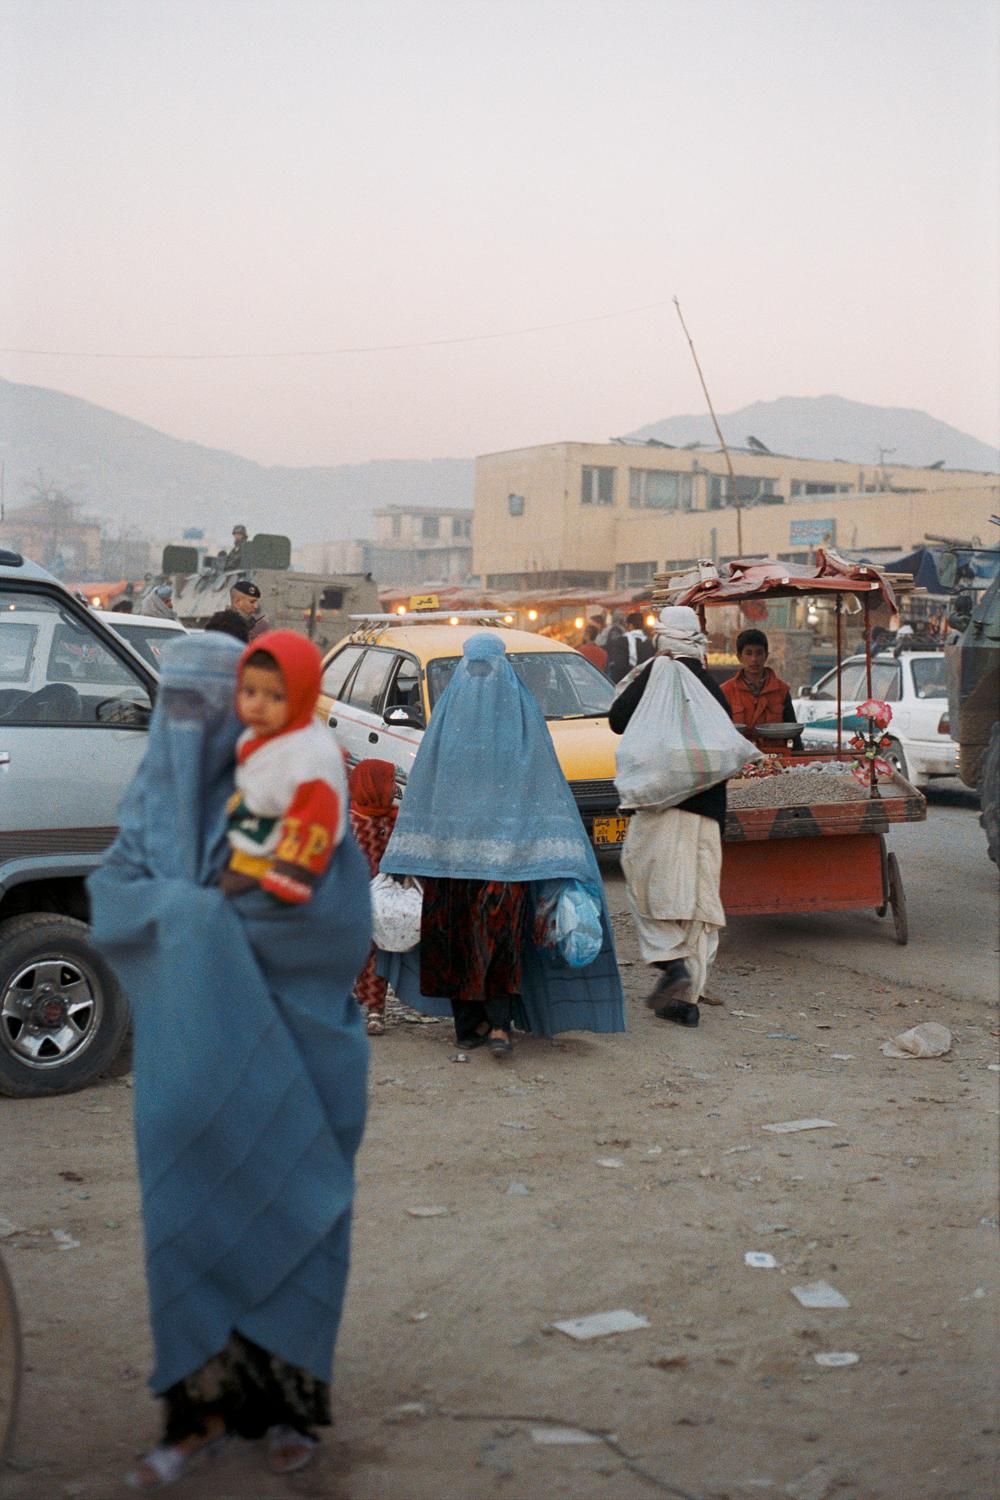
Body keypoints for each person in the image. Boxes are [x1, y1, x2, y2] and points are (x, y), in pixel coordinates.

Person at [87, 631, 370, 1489]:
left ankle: (286, 1409)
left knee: (291, 1227)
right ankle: (198, 1416)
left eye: (223, 700)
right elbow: (112, 901)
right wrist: (199, 918)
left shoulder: (295, 782)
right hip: (187, 1068)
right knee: (190, 1236)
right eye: (181, 706)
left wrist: (206, 925)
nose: (204, 723)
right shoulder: (148, 809)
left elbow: (336, 922)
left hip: (299, 1052)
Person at [377, 633, 625, 1055]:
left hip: (475, 862)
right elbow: (431, 789)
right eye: (476, 667)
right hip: (479, 862)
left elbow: (538, 783)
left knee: (484, 942)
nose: (481, 678)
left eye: (485, 667)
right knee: (476, 944)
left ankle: (492, 1026)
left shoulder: (456, 716)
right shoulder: (512, 714)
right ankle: (483, 1026)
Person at [609, 606, 734, 1029]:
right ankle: (688, 1000)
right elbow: (725, 732)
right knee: (698, 905)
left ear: (662, 637)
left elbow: (617, 719)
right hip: (709, 811)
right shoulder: (708, 683)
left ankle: (669, 961)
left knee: (645, 884)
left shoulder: (657, 674)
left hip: (659, 805)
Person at [223, 633, 348, 905]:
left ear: (303, 695)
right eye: (249, 691)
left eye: (276, 696)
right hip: (249, 845)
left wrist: (289, 876)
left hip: (272, 866)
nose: (257, 705)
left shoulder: (313, 756)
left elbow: (314, 817)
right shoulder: (256, 736)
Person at [348, 759, 398, 1036]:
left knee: (376, 954)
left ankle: (375, 1009)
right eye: (389, 783)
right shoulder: (349, 821)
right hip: (349, 898)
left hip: (381, 901)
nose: (393, 790)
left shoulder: (391, 821)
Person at [720, 628, 799, 748]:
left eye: (759, 653)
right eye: (749, 653)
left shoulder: (781, 690)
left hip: (776, 759)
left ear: (766, 656)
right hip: (740, 757)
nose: (754, 659)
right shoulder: (726, 691)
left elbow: (794, 733)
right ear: (739, 657)